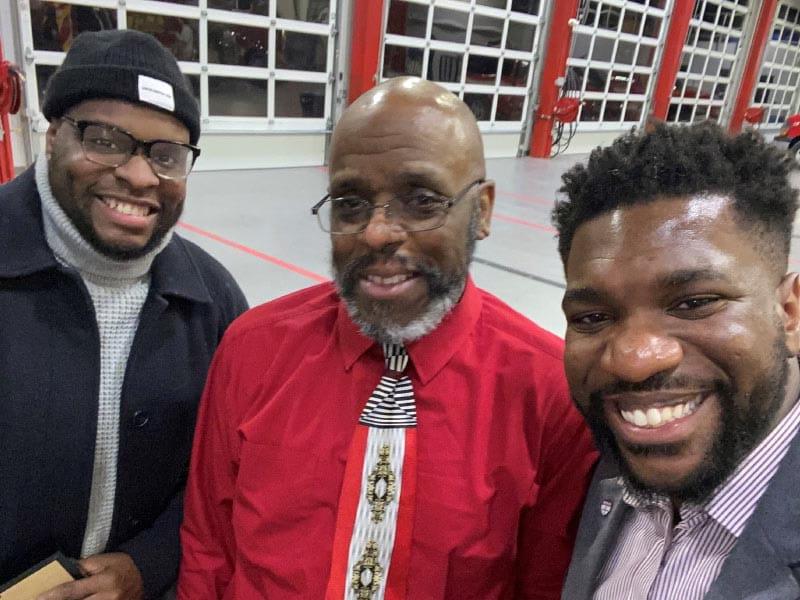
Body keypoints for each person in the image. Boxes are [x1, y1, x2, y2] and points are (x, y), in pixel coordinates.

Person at [178, 77, 597, 599]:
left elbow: (544, 582)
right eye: (351, 204)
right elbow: (207, 551)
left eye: (421, 201)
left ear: (483, 211)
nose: (377, 233)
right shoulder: (252, 350)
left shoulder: (549, 392)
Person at [0, 30, 247, 599]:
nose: (139, 177)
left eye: (166, 156)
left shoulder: (215, 302)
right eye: (106, 140)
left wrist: (149, 563)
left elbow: (227, 473)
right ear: (54, 133)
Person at [554, 121, 800, 599]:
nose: (633, 361)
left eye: (694, 303)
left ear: (789, 313)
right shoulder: (614, 459)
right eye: (593, 316)